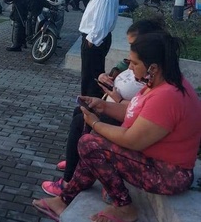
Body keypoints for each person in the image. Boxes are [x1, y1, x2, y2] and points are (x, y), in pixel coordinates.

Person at [32, 31, 201, 222]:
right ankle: (64, 199)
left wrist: (95, 122)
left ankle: (124, 207)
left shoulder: (168, 96)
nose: (130, 67)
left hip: (168, 175)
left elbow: (132, 140)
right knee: (95, 140)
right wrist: (102, 105)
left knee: (90, 143)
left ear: (152, 67)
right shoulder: (160, 84)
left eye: (134, 63)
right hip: (156, 164)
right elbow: (136, 112)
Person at [41, 19, 165, 198]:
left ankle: (69, 184)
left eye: (134, 62)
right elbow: (134, 103)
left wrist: (99, 120)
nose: (130, 63)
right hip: (126, 116)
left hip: (162, 166)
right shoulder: (149, 76)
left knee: (86, 131)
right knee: (82, 113)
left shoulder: (158, 86)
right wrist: (103, 98)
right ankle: (74, 166)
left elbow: (134, 129)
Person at [79, 0, 119, 98]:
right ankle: (88, 101)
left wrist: (91, 40)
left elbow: (101, 22)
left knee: (92, 76)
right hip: (92, 38)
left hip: (95, 40)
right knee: (89, 74)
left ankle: (91, 104)